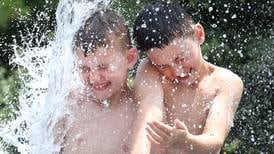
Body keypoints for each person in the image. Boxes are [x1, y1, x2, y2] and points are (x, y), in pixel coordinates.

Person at [131, 2, 243, 154]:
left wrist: (186, 141)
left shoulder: (225, 82)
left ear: (198, 34)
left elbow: (215, 140)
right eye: (163, 66)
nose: (177, 71)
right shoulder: (150, 70)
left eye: (181, 58)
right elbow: (147, 121)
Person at [54, 9, 138, 153]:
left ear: (129, 59)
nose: (94, 78)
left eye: (103, 67)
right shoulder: (69, 106)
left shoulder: (139, 111)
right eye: (85, 68)